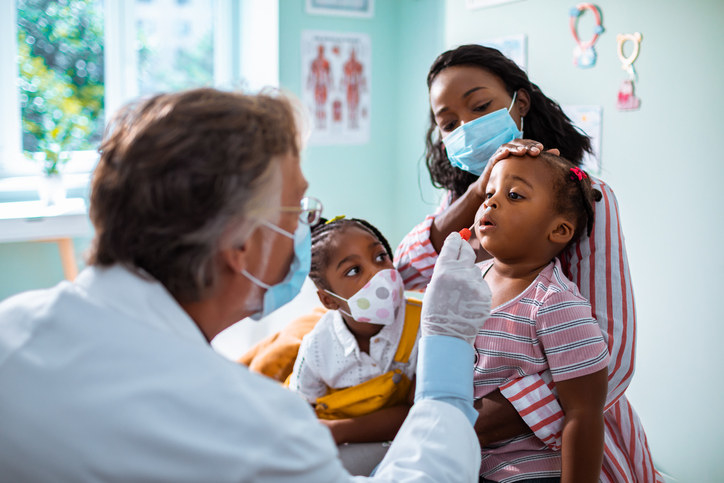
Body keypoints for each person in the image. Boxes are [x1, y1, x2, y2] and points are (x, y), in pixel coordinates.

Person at [0, 88, 491, 481]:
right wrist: (445, 388)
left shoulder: (12, 330)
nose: (307, 228)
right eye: (300, 212)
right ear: (241, 245)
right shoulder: (252, 427)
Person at [394, 44, 661, 482]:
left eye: (481, 107)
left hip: (560, 450)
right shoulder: (469, 207)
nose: (467, 127)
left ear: (519, 103)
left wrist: (480, 424)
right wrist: (479, 190)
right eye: (449, 123)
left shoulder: (583, 201)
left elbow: (612, 353)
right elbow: (403, 272)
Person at [473, 152, 612, 482]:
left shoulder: (555, 303)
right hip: (463, 455)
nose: (490, 203)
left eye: (514, 195)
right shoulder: (466, 279)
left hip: (523, 469)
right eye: (489, 193)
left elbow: (584, 413)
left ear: (559, 230)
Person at [289, 217, 418, 442]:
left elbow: (419, 410)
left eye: (380, 257)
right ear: (329, 301)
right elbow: (301, 415)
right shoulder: (317, 348)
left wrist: (338, 430)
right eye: (353, 270)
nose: (377, 273)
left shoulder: (424, 325)